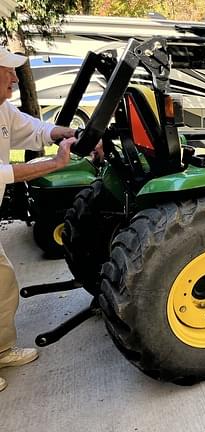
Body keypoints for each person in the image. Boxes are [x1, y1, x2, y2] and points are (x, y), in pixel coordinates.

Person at [0, 46, 77, 392]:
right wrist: (55, 164)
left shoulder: (2, 110)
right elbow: (5, 172)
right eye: (9, 71)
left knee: (3, 283)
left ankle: (1, 350)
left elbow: (34, 129)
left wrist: (64, 133)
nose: (15, 77)